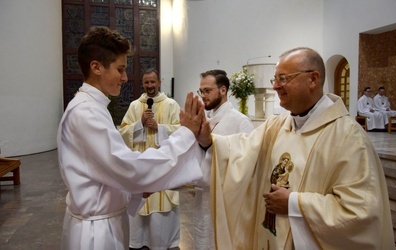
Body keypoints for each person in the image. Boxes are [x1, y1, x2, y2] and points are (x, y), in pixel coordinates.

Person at [196, 47, 395, 249]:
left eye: (283, 79)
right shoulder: (277, 125)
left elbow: (360, 212)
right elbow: (242, 149)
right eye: (275, 79)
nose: (275, 87)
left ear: (313, 79)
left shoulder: (349, 138)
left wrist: (294, 204)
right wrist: (208, 141)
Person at [57, 26, 206, 250]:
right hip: (96, 234)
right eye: (120, 69)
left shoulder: (92, 107)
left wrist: (136, 188)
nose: (125, 77)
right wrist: (186, 134)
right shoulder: (86, 112)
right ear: (96, 67)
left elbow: (108, 169)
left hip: (102, 222)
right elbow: (128, 168)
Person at [119, 69, 182, 250]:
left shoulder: (171, 105)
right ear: (142, 83)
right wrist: (139, 124)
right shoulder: (134, 106)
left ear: (159, 82)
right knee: (139, 212)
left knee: (161, 215)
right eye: (146, 83)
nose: (150, 86)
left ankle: (162, 243)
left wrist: (160, 128)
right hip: (140, 168)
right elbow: (122, 132)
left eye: (153, 82)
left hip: (163, 168)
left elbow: (181, 132)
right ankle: (138, 242)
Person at [194, 69, 254, 249]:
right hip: (204, 195)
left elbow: (248, 162)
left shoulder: (240, 121)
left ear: (222, 90)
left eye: (207, 91)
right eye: (201, 91)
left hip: (227, 198)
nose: (203, 96)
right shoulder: (205, 119)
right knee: (203, 238)